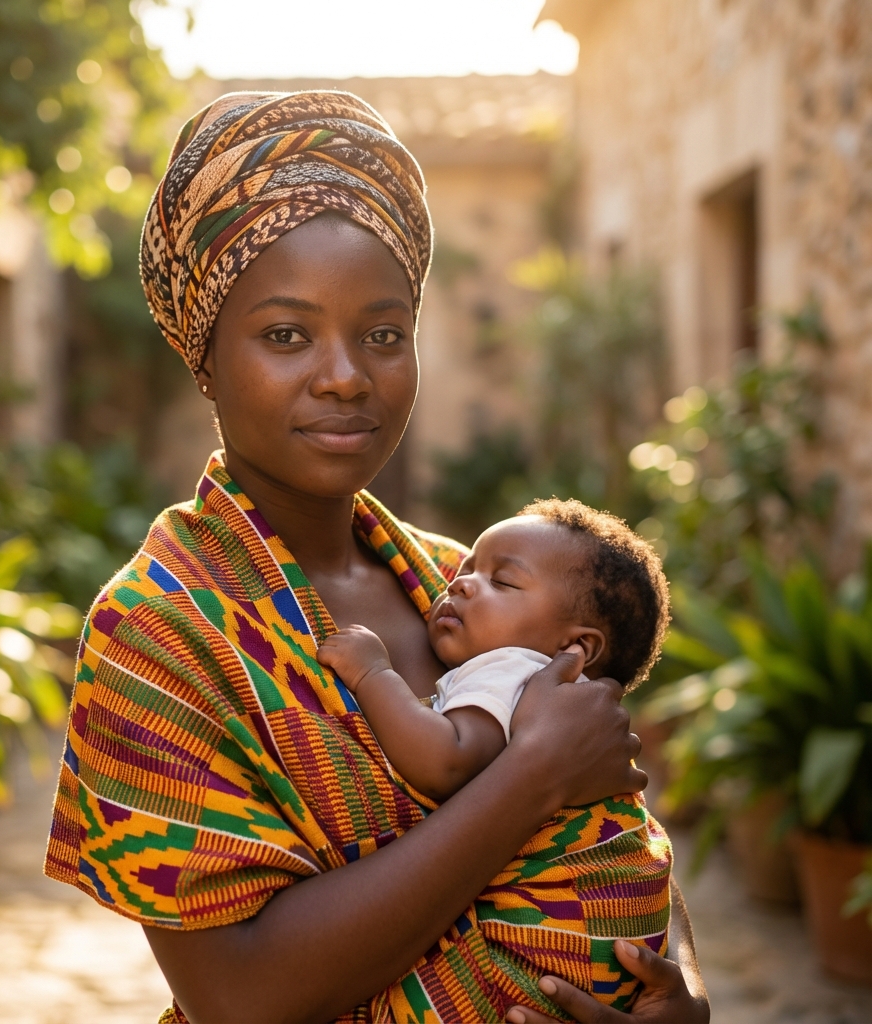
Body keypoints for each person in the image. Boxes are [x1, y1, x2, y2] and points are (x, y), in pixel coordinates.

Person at [44, 90, 709, 1023]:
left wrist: (679, 992)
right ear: (206, 357)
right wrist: (526, 781)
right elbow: (238, 995)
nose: (347, 375)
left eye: (384, 335)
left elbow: (615, 832)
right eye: (286, 335)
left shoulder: (461, 581)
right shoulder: (158, 630)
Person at [317, 500, 674, 1014]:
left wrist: (374, 675)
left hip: (543, 942)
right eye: (465, 570)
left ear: (577, 646)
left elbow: (447, 760)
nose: (461, 583)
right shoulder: (543, 681)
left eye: (502, 582)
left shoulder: (511, 668)